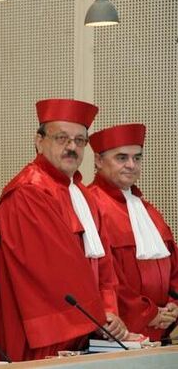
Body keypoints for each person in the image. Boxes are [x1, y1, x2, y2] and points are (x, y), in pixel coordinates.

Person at [0, 98, 126, 361]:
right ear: (39, 140)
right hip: (45, 330)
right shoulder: (28, 192)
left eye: (79, 140)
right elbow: (54, 270)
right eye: (62, 138)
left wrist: (109, 310)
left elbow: (105, 263)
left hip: (87, 326)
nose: (71, 147)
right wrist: (97, 315)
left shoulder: (83, 195)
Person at [87, 123, 178, 342]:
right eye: (122, 158)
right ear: (99, 161)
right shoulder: (90, 205)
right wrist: (149, 313)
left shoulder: (148, 210)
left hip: (163, 330)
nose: (131, 165)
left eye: (137, 158)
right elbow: (104, 276)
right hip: (122, 332)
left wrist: (174, 305)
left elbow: (174, 265)